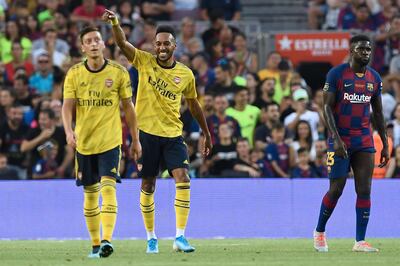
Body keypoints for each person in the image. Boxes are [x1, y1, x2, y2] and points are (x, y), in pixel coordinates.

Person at [103, 9, 212, 254]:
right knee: (148, 184)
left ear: (175, 45)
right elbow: (121, 42)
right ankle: (151, 237)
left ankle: (180, 237)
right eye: (158, 43)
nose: (162, 47)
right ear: (154, 45)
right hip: (146, 135)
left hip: (173, 135)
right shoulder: (144, 60)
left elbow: (194, 104)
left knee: (183, 177)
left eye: (166, 43)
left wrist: (206, 132)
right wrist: (115, 23)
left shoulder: (185, 73)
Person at [62, 26, 142, 259]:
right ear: (83, 47)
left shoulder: (119, 72)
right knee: (89, 194)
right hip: (84, 143)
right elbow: (67, 106)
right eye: (89, 41)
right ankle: (96, 244)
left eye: (97, 39)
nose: (94, 43)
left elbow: (129, 108)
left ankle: (107, 239)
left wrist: (135, 140)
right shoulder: (75, 74)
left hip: (110, 140)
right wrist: (69, 132)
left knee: (108, 188)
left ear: (103, 44)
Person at [313, 34, 389, 253]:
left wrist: (384, 142)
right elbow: (326, 107)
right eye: (361, 49)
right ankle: (319, 231)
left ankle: (360, 241)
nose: (366, 52)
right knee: (336, 189)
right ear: (351, 51)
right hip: (340, 139)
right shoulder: (336, 74)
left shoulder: (374, 78)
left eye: (368, 49)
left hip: (364, 139)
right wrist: (336, 139)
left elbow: (379, 112)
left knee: (364, 189)